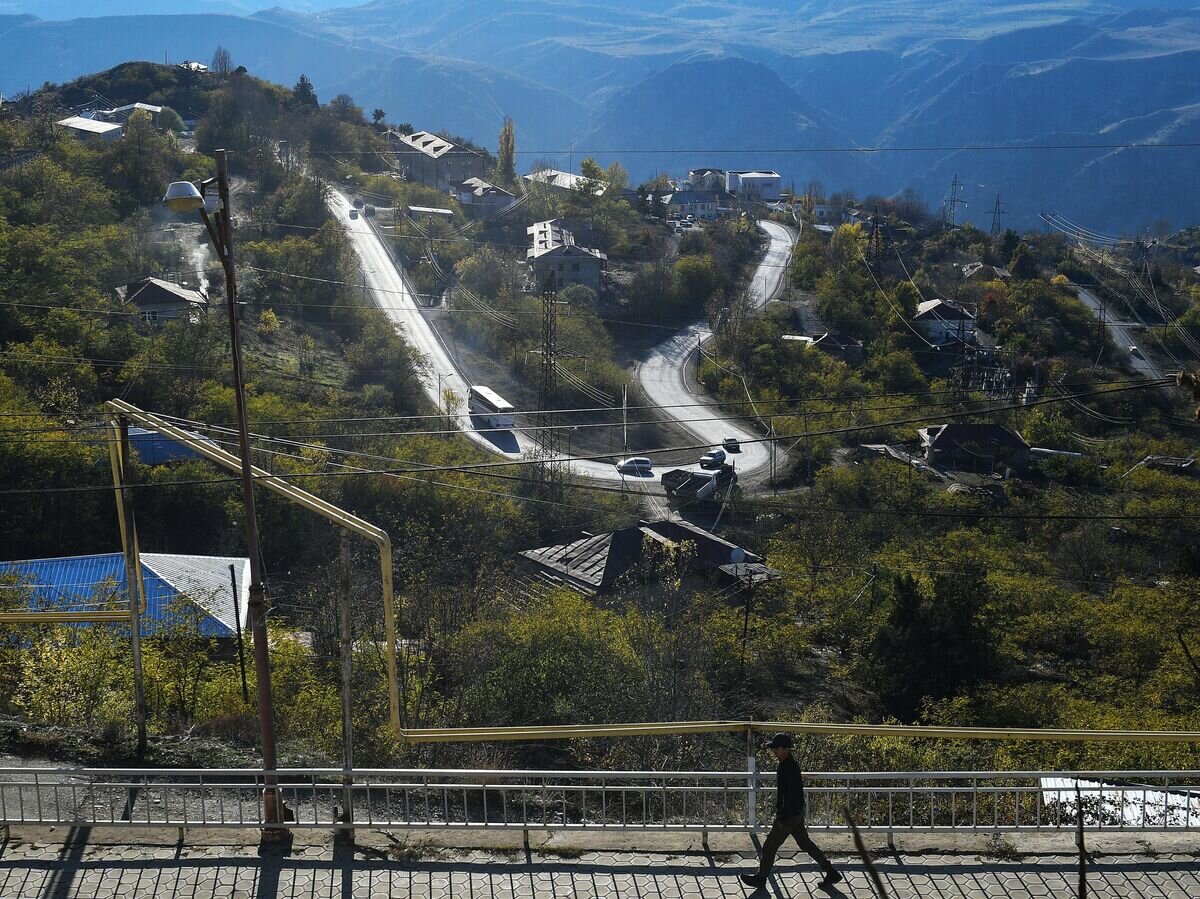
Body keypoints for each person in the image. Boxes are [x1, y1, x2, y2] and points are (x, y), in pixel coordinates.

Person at [741, 732, 842, 891]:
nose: (773, 751)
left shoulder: (789, 768)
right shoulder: (787, 765)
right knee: (805, 844)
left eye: (776, 748)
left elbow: (791, 794)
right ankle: (831, 872)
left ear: (785, 749)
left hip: (788, 816)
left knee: (769, 846)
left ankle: (761, 879)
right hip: (795, 814)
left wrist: (782, 816)